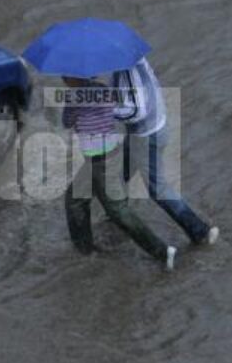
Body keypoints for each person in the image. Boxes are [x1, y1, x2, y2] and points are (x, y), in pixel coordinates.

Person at [61, 76, 178, 270]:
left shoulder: (76, 96)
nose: (63, 80)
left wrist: (72, 104)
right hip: (106, 154)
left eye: (65, 77)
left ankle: (162, 251)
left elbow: (66, 122)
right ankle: (84, 251)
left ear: (74, 78)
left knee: (117, 211)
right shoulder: (101, 88)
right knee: (74, 200)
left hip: (101, 160)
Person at [113, 57, 219, 245]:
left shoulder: (128, 72)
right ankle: (115, 212)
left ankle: (200, 231)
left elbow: (137, 111)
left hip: (147, 136)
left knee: (158, 189)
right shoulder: (137, 61)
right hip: (154, 127)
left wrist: (106, 111)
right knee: (124, 172)